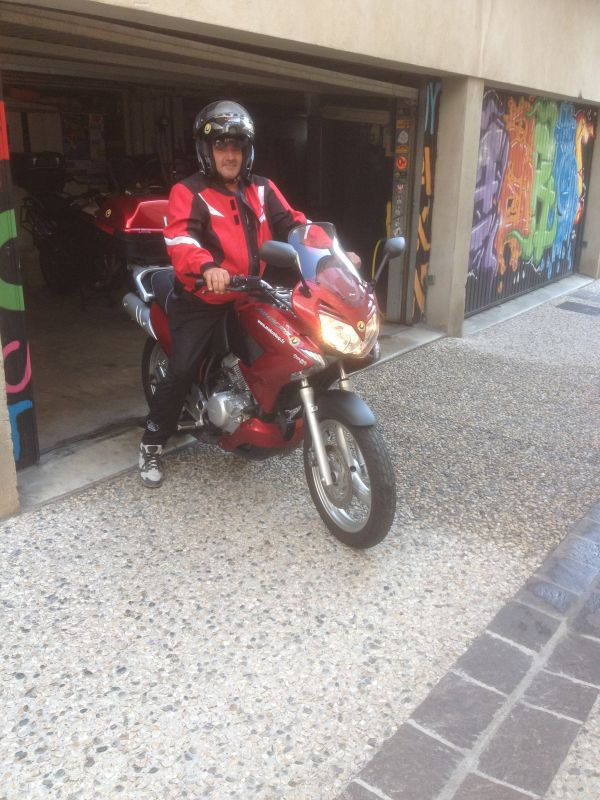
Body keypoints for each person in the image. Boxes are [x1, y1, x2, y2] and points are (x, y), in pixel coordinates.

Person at [138, 100, 307, 487]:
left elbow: (296, 224)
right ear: (206, 150)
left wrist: (328, 251)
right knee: (181, 369)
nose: (230, 154)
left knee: (285, 345)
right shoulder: (189, 191)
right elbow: (181, 238)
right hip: (203, 297)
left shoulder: (263, 188)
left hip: (250, 291)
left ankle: (259, 414)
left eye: (237, 146)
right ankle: (152, 441)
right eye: (221, 146)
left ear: (247, 150)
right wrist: (206, 268)